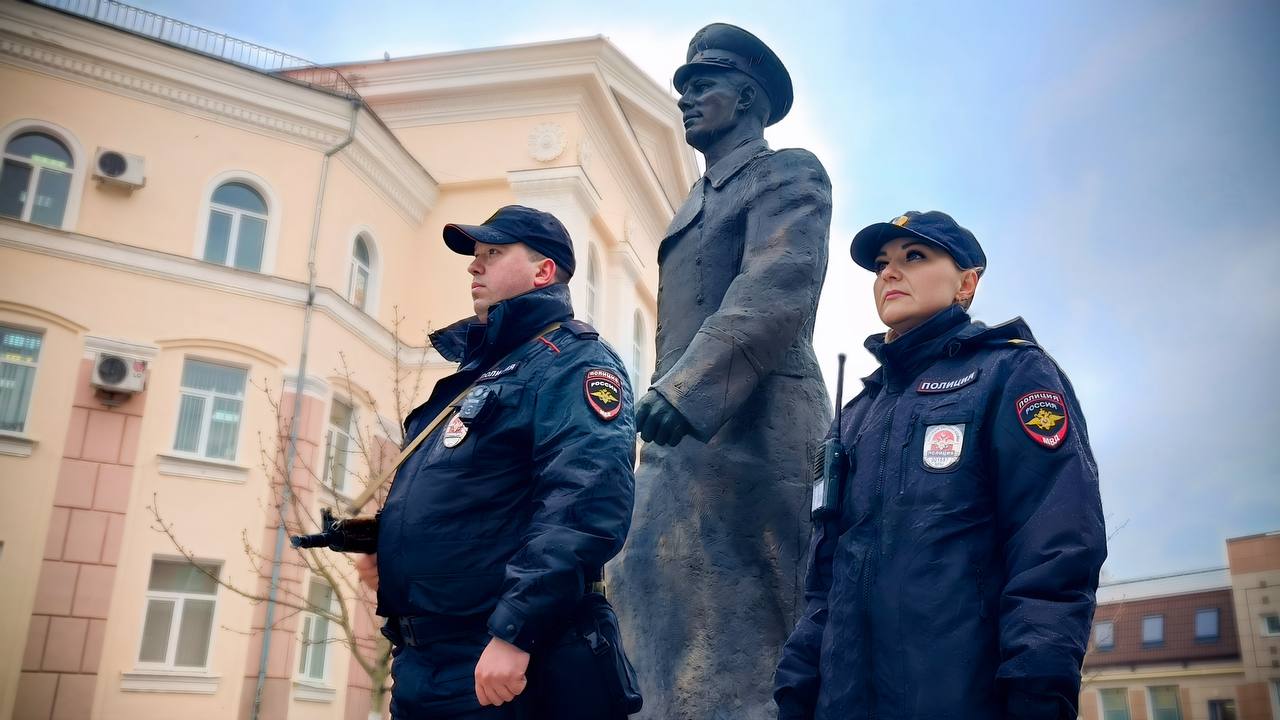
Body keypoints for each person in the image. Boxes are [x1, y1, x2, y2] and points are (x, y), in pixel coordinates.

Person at [773, 211, 1107, 720]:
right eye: (882, 264)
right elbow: (824, 578)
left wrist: (1039, 693)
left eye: (914, 257)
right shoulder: (855, 417)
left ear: (966, 283)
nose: (889, 272)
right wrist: (796, 689)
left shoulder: (1011, 374)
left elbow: (1054, 549)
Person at [608, 22, 833, 720]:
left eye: (703, 85)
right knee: (648, 593)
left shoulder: (787, 172)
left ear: (749, 100)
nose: (687, 99)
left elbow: (775, 286)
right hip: (681, 440)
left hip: (756, 439)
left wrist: (684, 390)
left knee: (754, 629)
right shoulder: (692, 202)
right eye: (684, 87)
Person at [355, 205, 636, 718]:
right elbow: (475, 503)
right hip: (423, 661)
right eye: (475, 255)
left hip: (499, 665)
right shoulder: (482, 371)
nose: (473, 267)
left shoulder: (574, 363)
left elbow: (584, 505)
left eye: (492, 253)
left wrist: (515, 631)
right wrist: (391, 550)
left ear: (543, 271)